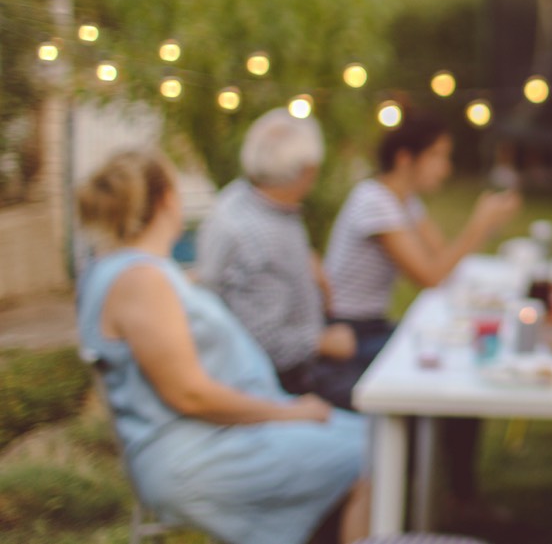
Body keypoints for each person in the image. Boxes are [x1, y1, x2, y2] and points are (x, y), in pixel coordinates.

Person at [75, 149, 369, 544]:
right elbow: (190, 395)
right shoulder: (141, 281)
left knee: (372, 435)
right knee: (376, 454)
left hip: (214, 440)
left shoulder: (130, 269)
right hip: (196, 455)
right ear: (166, 201)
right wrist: (287, 412)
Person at [322, 111, 521, 518]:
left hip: (370, 326)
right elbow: (430, 276)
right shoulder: (373, 202)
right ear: (405, 159)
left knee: (462, 365)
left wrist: (476, 233)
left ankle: (455, 495)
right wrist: (478, 226)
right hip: (348, 333)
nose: (445, 169)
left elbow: (442, 262)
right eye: (438, 156)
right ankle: (434, 500)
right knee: (450, 370)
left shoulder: (403, 201)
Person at [195, 109, 359, 408]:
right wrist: (323, 342)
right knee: (397, 401)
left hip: (286, 364)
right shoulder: (260, 235)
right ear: (307, 171)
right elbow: (262, 343)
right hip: (282, 385)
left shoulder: (240, 198)